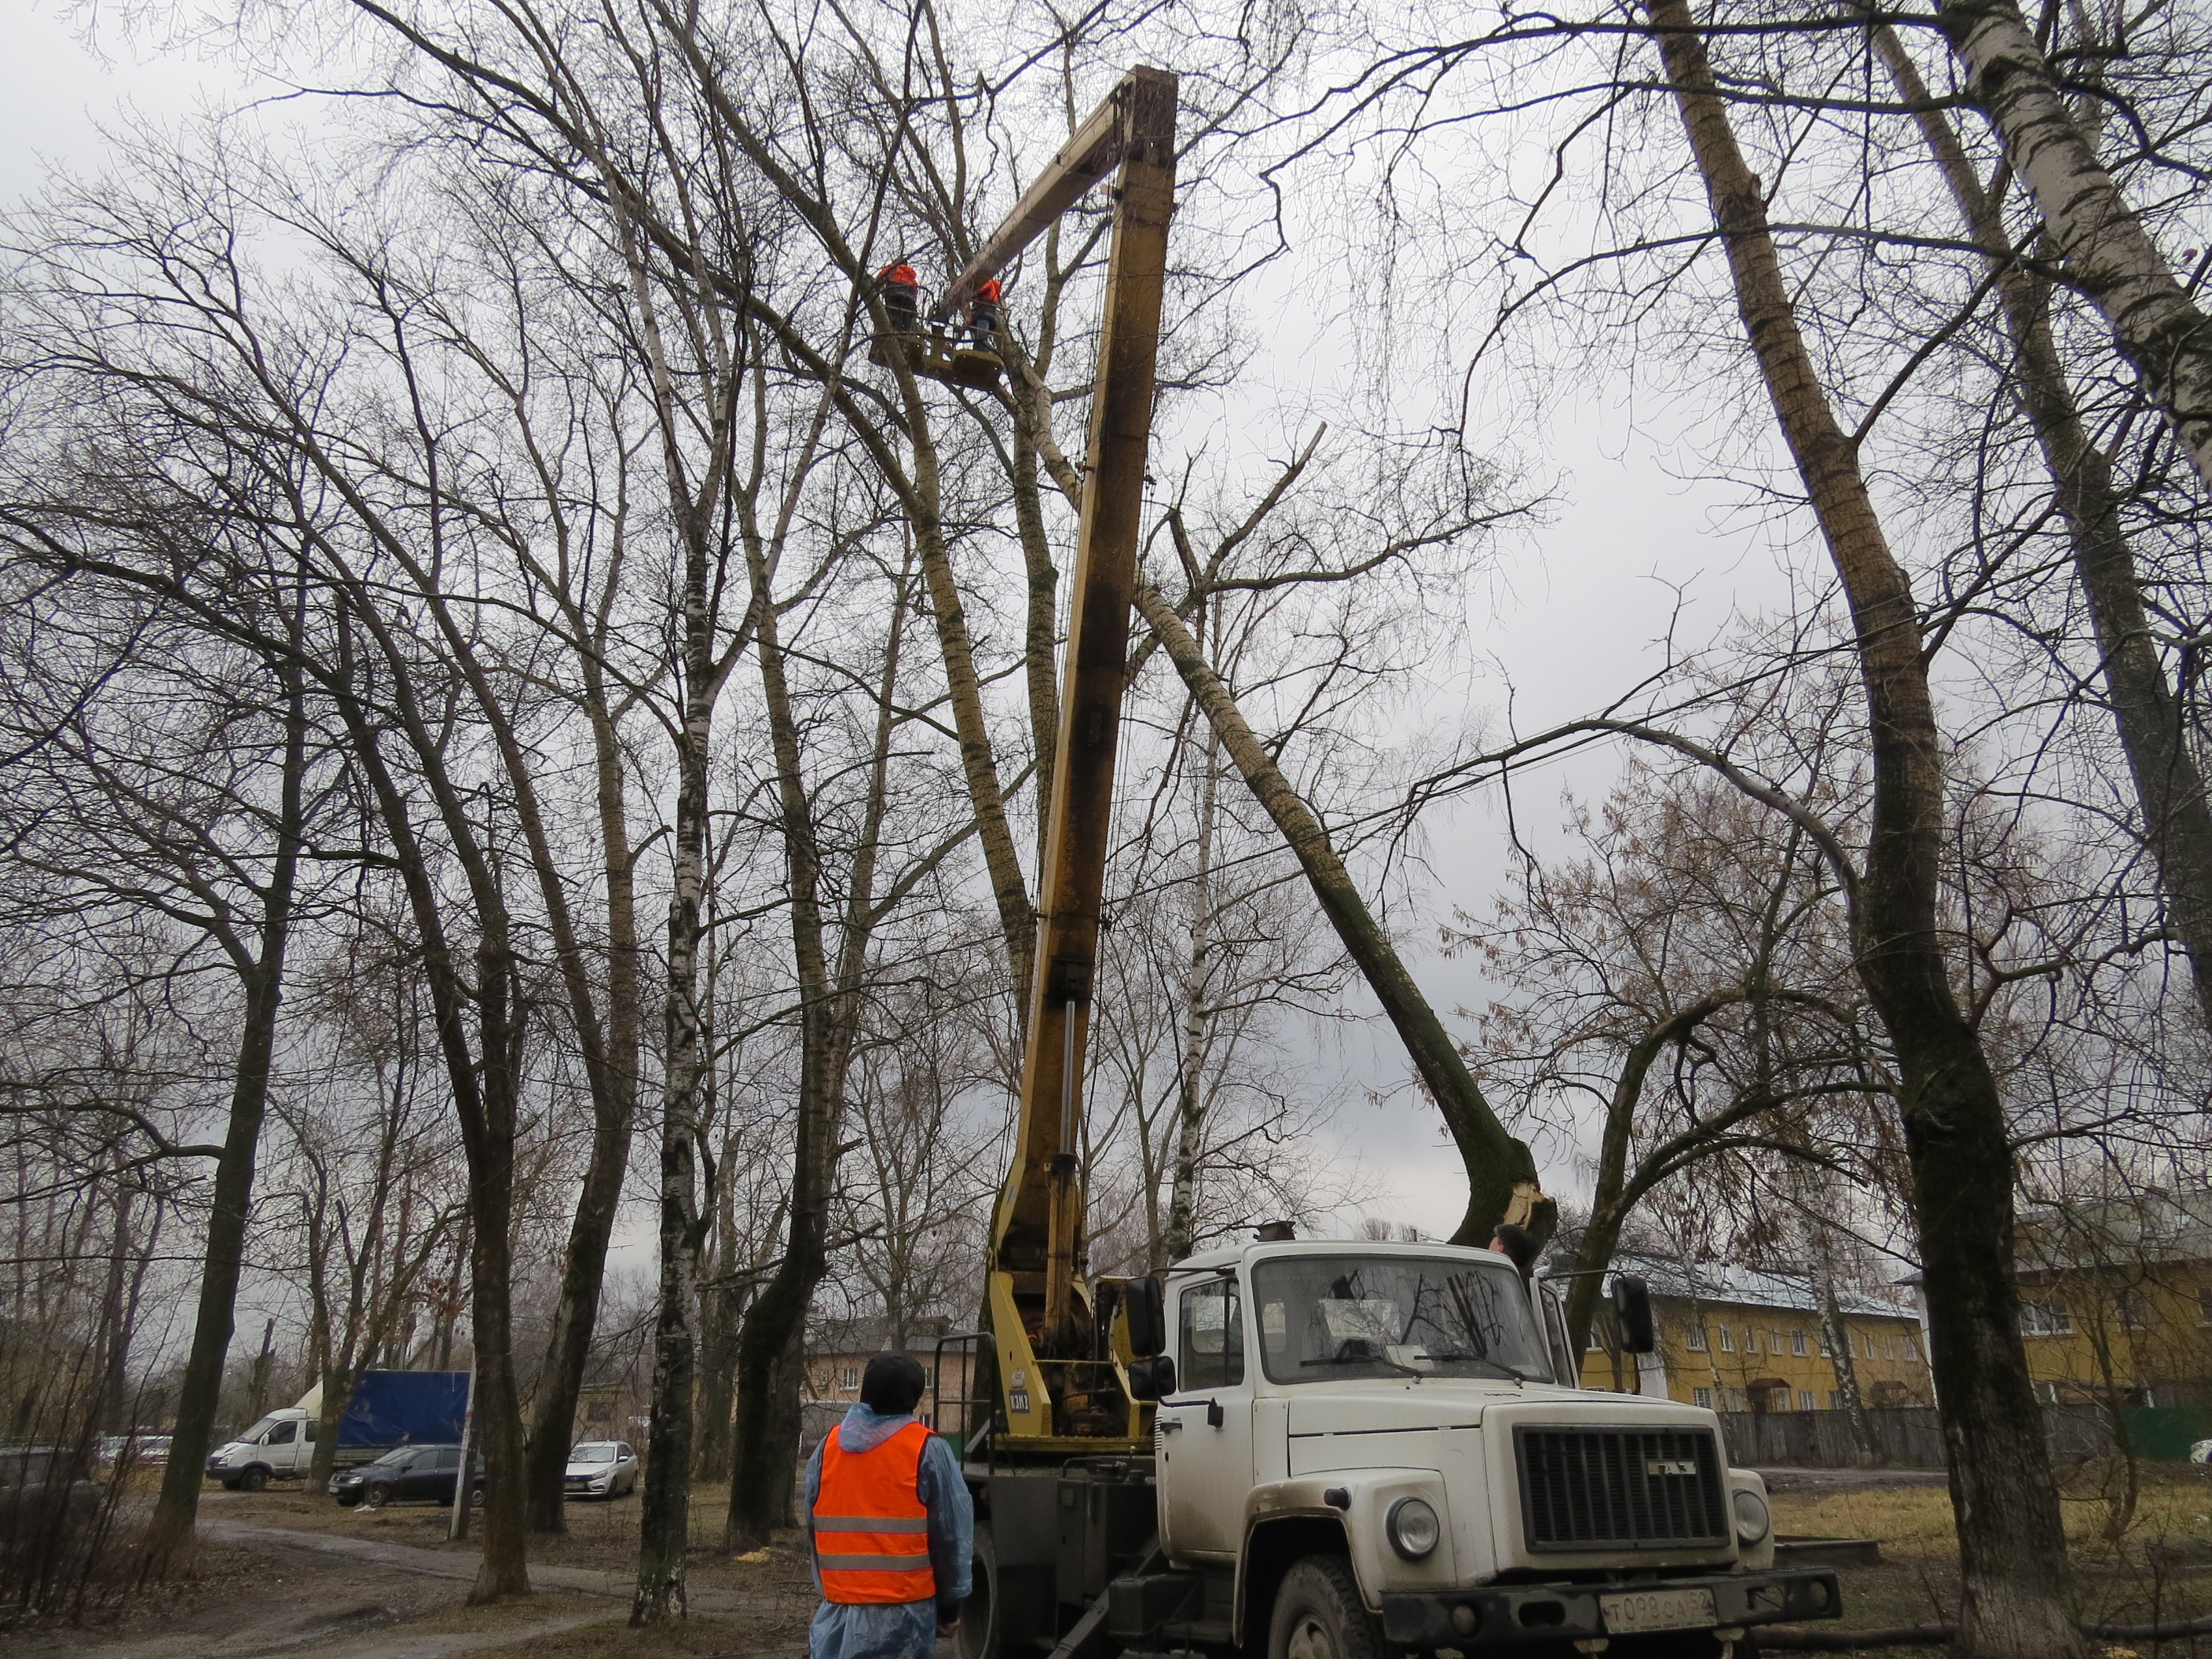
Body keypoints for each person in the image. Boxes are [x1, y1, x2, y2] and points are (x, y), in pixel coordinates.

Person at [804, 1350, 972, 1659]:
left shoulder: (828, 1448)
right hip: (903, 1616)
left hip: (837, 1613)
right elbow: (951, 1534)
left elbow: (813, 1525)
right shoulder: (927, 1449)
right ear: (914, 1397)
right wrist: (950, 1609)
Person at [877, 263, 921, 334]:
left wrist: (878, 287)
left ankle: (892, 330)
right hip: (909, 297)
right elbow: (915, 291)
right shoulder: (911, 276)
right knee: (907, 317)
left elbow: (880, 276)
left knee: (892, 313)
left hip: (894, 292)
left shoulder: (893, 267)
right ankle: (907, 333)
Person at [966, 278, 1002, 350]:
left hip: (984, 313)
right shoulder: (991, 286)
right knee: (980, 335)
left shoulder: (986, 280)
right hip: (987, 313)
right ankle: (979, 350)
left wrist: (972, 294)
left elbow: (984, 289)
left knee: (981, 335)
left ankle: (982, 350)